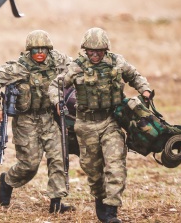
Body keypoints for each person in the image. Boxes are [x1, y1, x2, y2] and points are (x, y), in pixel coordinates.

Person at [48, 27, 152, 223]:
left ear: (106, 50)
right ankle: (100, 199)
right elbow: (55, 86)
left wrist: (144, 90)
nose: (95, 55)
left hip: (110, 122)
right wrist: (57, 101)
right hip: (85, 125)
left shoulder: (116, 62)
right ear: (85, 50)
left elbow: (135, 76)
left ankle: (111, 211)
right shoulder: (76, 67)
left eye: (99, 51)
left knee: (115, 166)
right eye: (90, 51)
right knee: (93, 172)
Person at [0, 30, 74, 213]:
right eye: (35, 50)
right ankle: (8, 181)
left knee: (59, 158)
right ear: (29, 51)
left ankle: (56, 202)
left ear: (49, 50)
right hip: (26, 120)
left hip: (49, 117)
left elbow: (78, 68)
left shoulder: (58, 61)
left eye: (43, 49)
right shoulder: (18, 68)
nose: (40, 53)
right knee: (29, 164)